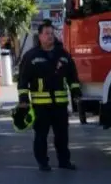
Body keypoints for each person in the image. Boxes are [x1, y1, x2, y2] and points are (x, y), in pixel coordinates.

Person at [17, 20, 81, 171]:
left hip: (60, 104)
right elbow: (23, 81)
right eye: (46, 34)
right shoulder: (31, 56)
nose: (50, 36)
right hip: (41, 105)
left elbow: (73, 77)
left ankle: (64, 161)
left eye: (52, 33)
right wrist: (24, 100)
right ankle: (43, 163)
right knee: (41, 136)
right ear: (40, 36)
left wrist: (76, 92)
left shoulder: (63, 55)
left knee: (62, 136)